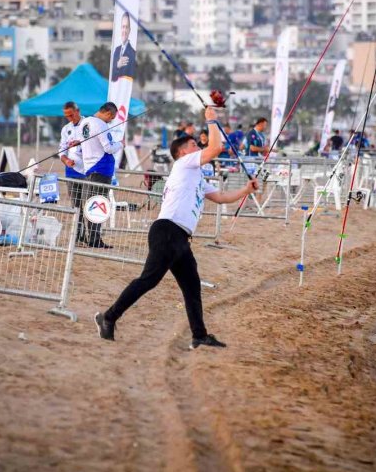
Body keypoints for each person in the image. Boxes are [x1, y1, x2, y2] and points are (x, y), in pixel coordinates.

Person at [95, 106, 259, 349]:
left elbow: (222, 197)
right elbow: (215, 148)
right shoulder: (184, 164)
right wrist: (212, 120)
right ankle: (108, 317)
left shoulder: (197, 176)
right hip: (167, 231)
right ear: (182, 152)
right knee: (149, 280)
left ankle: (199, 335)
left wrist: (246, 190)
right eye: (194, 145)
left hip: (180, 237)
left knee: (192, 286)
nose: (198, 147)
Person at [73, 102, 123, 248]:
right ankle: (95, 239)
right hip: (101, 169)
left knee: (91, 203)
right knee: (98, 204)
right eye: (112, 117)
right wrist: (120, 144)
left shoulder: (84, 122)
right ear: (108, 113)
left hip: (89, 168)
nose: (111, 120)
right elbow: (108, 148)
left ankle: (91, 237)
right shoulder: (101, 124)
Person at [60, 101, 88, 243]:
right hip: (71, 172)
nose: (69, 118)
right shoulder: (66, 129)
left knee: (87, 204)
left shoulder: (88, 124)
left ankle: (91, 235)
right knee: (75, 206)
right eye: (66, 116)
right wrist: (66, 160)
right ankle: (78, 235)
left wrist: (80, 142)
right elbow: (62, 150)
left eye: (71, 115)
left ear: (78, 111)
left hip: (87, 171)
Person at [110, 12, 136, 81]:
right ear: (120, 28)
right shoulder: (116, 50)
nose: (124, 30)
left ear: (129, 30)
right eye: (123, 27)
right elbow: (112, 76)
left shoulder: (133, 53)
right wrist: (117, 66)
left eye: (126, 27)